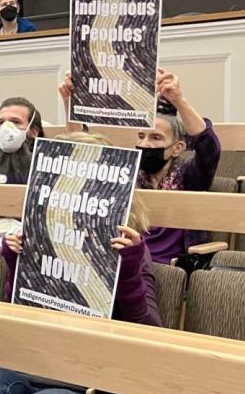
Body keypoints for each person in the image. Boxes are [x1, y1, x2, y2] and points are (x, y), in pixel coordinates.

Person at [0, 133, 161, 394]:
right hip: (32, 362)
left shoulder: (132, 248)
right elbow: (17, 312)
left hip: (88, 383)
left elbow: (149, 332)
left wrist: (128, 270)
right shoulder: (43, 235)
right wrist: (16, 263)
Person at [59, 68, 220, 263]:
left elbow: (208, 148)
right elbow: (81, 152)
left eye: (155, 138)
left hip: (169, 267)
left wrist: (179, 101)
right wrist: (71, 102)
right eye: (141, 136)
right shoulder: (126, 174)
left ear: (177, 148)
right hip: (127, 260)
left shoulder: (189, 177)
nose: (144, 144)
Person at [0, 97, 45, 184]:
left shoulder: (45, 170)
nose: (6, 128)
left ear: (34, 132)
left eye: (16, 122)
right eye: (1, 123)